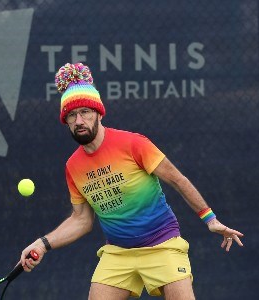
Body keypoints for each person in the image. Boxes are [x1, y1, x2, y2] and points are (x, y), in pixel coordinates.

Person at [19, 63, 244, 299]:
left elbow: (177, 180)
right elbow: (82, 220)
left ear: (98, 113)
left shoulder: (133, 144)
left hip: (162, 244)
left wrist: (210, 219)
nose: (79, 121)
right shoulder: (73, 166)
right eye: (72, 116)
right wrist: (42, 244)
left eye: (85, 112)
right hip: (118, 253)